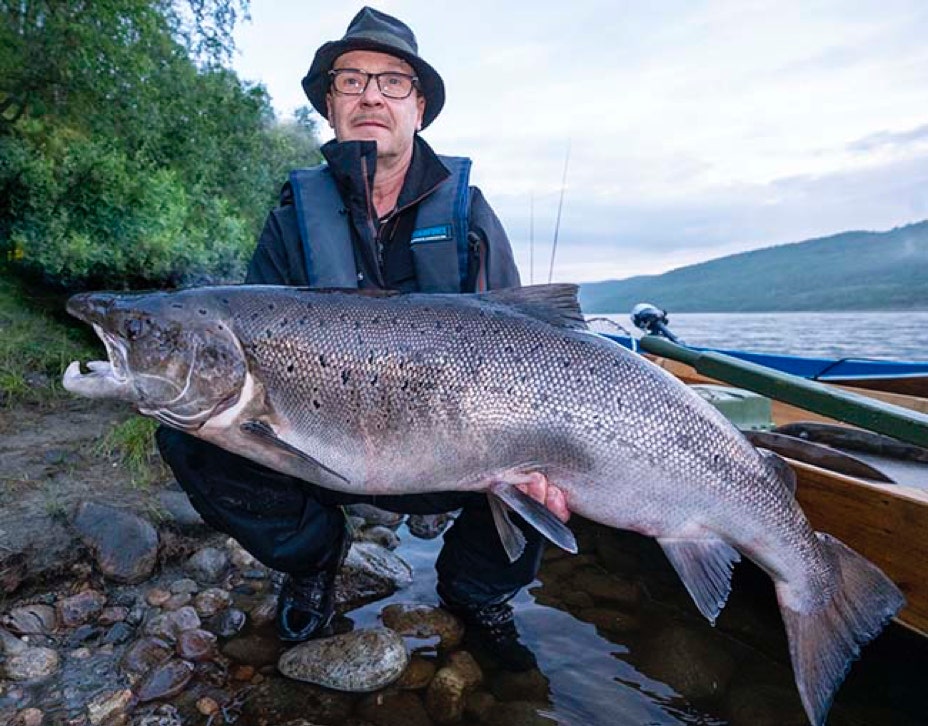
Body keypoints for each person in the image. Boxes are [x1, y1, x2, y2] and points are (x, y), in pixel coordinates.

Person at [156, 6, 565, 672]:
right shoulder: (293, 218)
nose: (371, 93)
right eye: (351, 81)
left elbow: (528, 348)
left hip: (458, 456)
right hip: (325, 449)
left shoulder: (469, 216)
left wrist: (541, 452)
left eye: (392, 81)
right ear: (330, 105)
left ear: (419, 107)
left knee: (555, 454)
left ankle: (477, 595)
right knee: (191, 436)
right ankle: (317, 558)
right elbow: (242, 347)